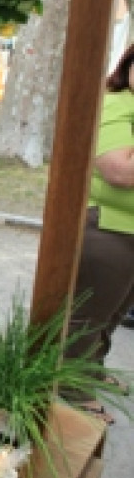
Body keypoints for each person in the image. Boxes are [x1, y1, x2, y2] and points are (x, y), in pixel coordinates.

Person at [61, 43, 134, 422]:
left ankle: (90, 371)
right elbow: (118, 171)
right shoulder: (118, 104)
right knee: (87, 316)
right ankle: (72, 392)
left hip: (129, 231)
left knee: (111, 313)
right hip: (108, 228)